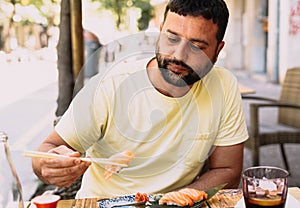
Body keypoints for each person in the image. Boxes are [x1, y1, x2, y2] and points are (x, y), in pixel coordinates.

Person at [32, 0, 248, 199]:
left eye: (197, 47)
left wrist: (172, 202)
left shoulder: (223, 84)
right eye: (171, 39)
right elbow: (46, 150)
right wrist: (47, 166)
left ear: (218, 50)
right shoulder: (111, 84)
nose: (179, 56)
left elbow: (227, 170)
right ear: (161, 31)